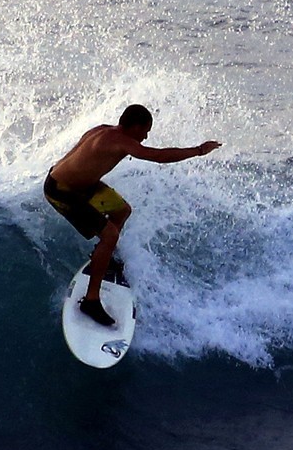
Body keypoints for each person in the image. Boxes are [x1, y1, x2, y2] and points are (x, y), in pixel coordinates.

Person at [44, 104, 221, 326]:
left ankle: (104, 258)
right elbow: (158, 156)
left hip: (78, 184)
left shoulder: (105, 131)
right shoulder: (119, 140)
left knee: (122, 210)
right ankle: (90, 301)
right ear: (135, 126)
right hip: (62, 190)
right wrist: (198, 150)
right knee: (109, 235)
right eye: (145, 130)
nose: (146, 136)